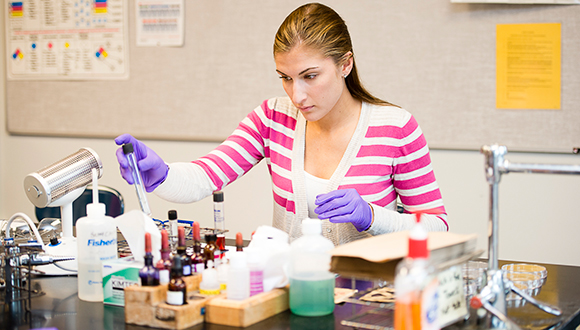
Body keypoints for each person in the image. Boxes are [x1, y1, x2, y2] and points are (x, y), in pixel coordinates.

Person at [115, 3, 447, 246]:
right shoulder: (273, 117)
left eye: (310, 76)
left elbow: (438, 227)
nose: (297, 95)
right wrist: (161, 175)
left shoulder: (396, 127)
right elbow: (206, 176)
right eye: (286, 78)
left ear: (345, 64)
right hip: (295, 294)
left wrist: (371, 216)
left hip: (369, 302)